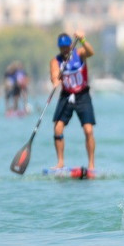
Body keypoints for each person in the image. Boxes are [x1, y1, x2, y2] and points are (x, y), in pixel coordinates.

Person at [51, 31, 96, 170]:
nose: (65, 49)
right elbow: (54, 75)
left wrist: (82, 39)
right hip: (66, 96)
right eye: (62, 47)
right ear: (59, 48)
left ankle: (91, 165)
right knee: (58, 128)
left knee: (88, 130)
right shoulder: (56, 61)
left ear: (71, 45)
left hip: (82, 95)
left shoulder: (80, 53)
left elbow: (91, 52)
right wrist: (55, 80)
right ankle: (60, 162)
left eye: (67, 46)